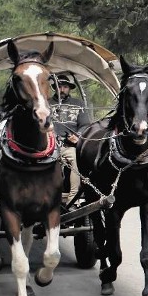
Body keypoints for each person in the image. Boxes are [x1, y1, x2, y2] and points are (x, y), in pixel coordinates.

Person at [50, 73, 90, 206]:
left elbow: (85, 125)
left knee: (76, 160)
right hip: (49, 146)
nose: (62, 89)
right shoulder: (46, 104)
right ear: (54, 88)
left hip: (70, 146)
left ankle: (72, 200)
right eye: (59, 86)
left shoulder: (78, 104)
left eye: (65, 86)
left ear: (69, 88)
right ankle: (50, 198)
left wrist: (77, 135)